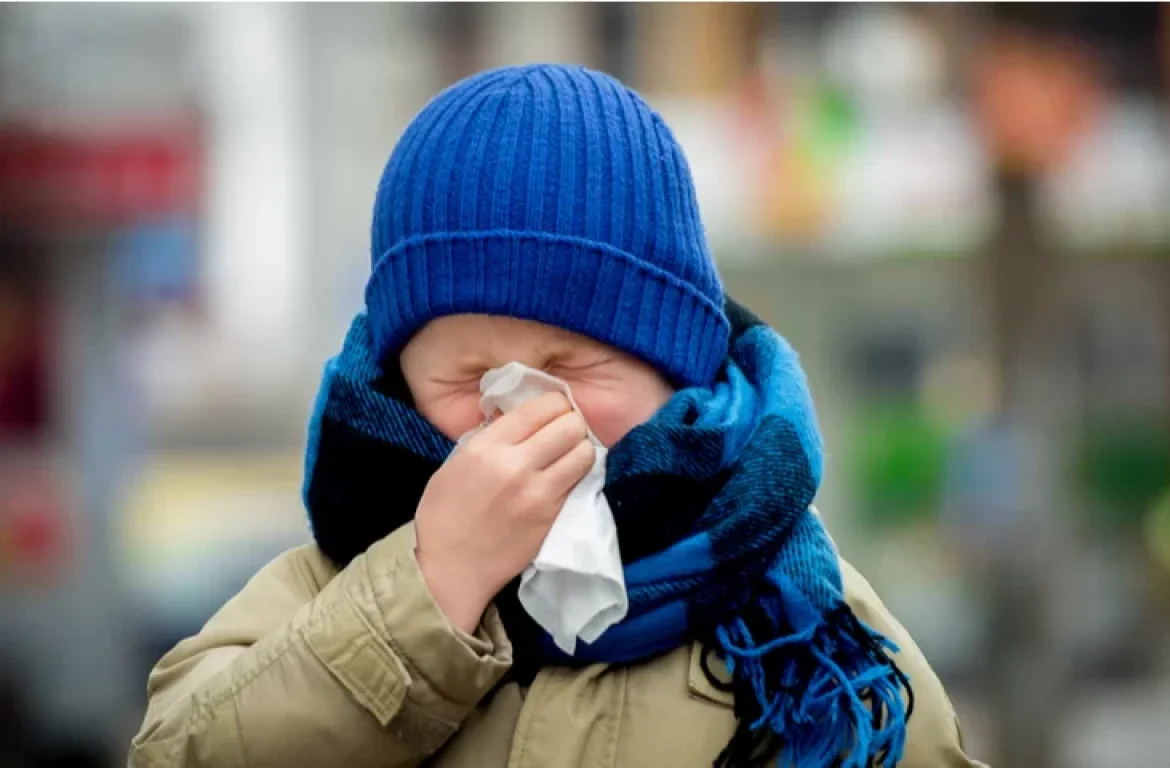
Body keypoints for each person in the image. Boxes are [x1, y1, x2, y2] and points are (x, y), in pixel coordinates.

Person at [130, 64, 984, 768]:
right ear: (398, 382)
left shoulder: (805, 620)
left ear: (674, 375)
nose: (521, 407)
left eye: (572, 366)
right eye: (468, 376)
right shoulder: (326, 584)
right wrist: (428, 590)